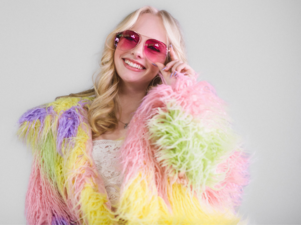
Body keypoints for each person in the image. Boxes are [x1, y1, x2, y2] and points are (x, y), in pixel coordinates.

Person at [17, 5, 249, 225]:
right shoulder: (63, 123)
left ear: (169, 59)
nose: (137, 51)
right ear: (116, 43)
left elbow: (200, 175)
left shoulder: (178, 119)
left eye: (154, 47)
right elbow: (50, 211)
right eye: (130, 38)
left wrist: (182, 96)